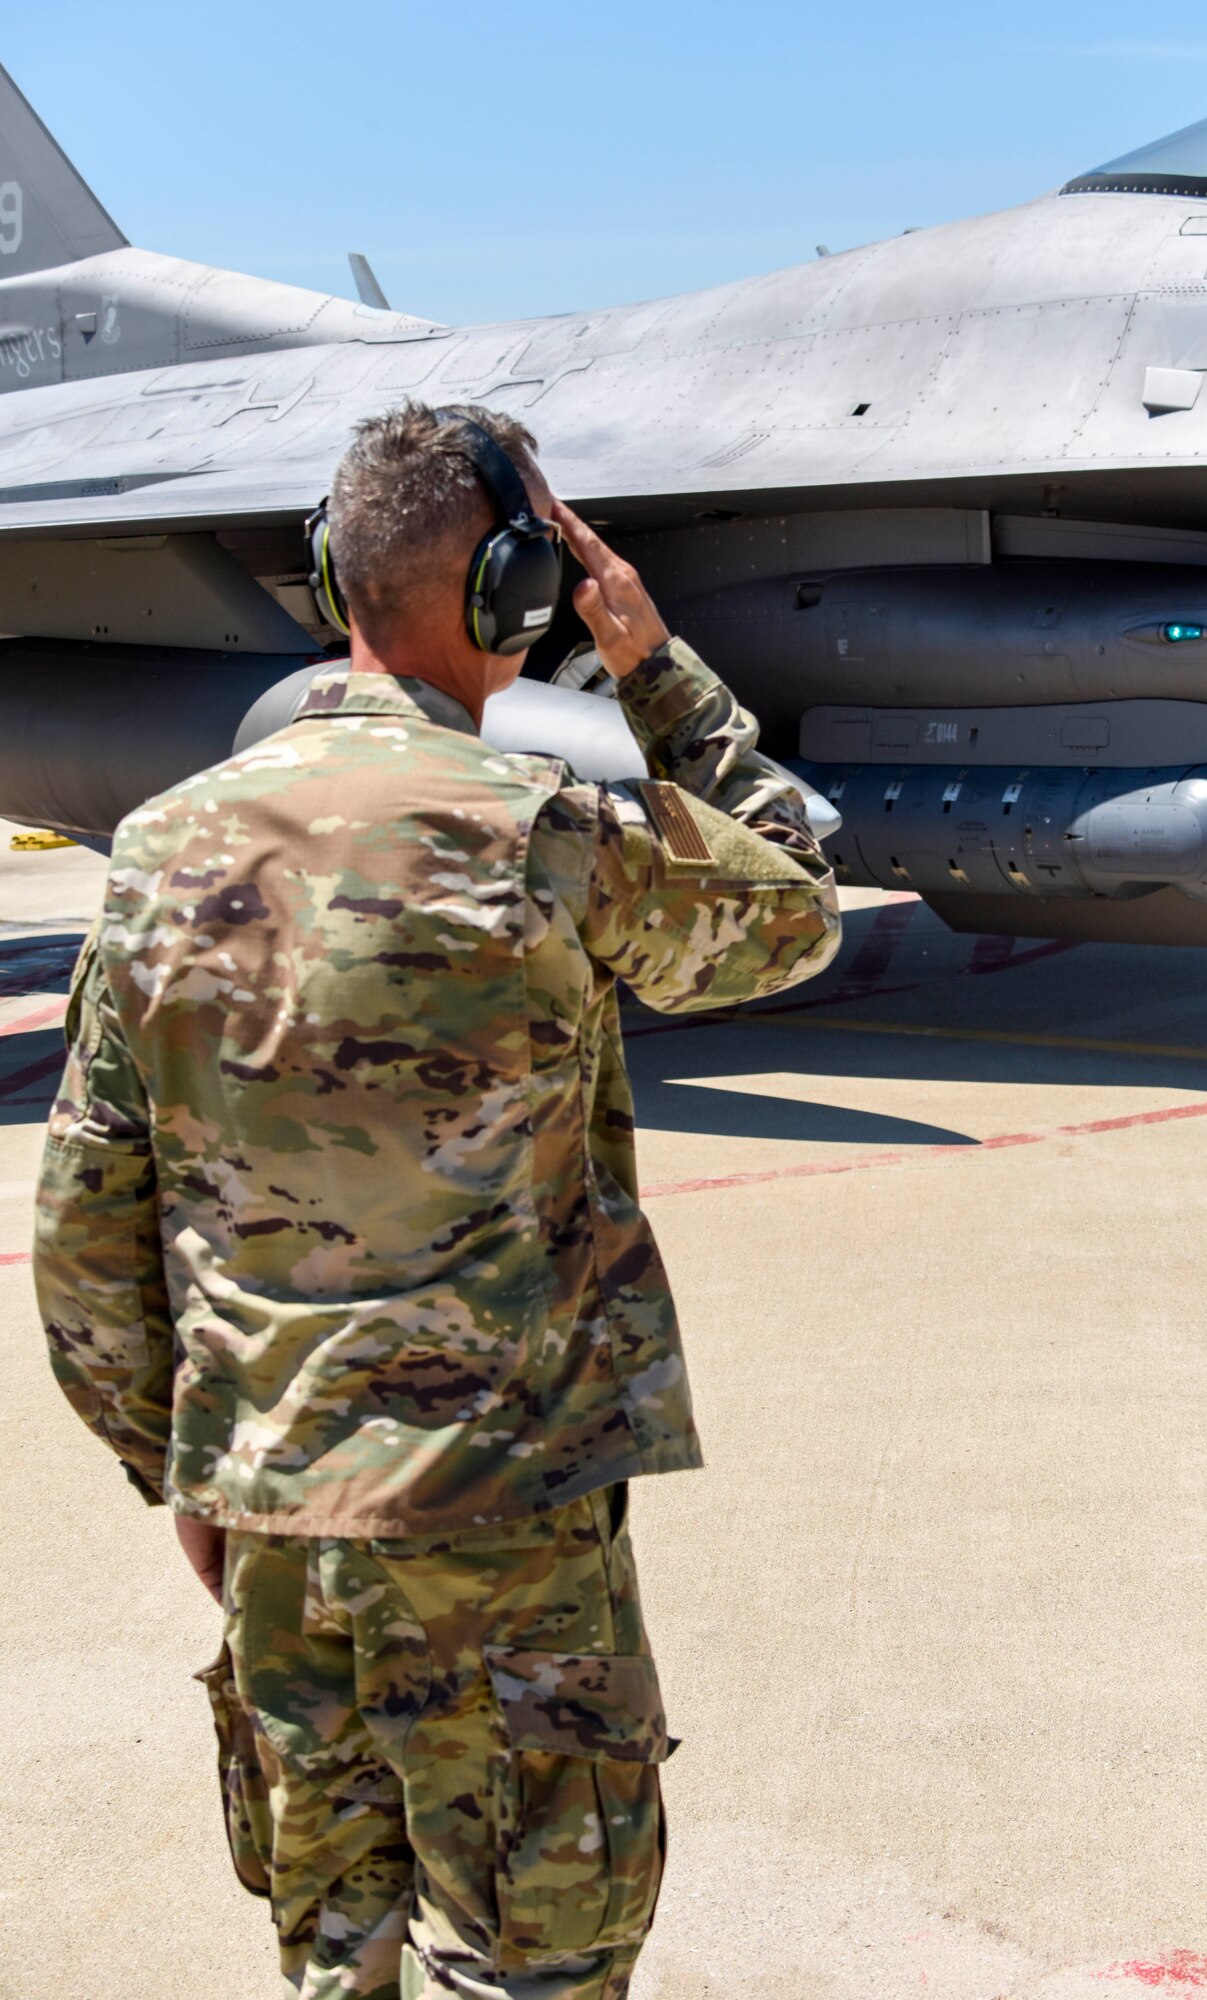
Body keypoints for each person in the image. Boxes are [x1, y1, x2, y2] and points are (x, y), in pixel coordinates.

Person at [33, 400, 841, 2000]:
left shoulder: (160, 853)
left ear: (333, 570)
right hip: (512, 1534)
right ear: (518, 595)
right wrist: (658, 672)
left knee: (341, 1968)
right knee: (538, 1966)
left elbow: (80, 1237)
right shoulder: (549, 841)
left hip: (277, 1524)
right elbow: (796, 905)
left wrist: (194, 1474)